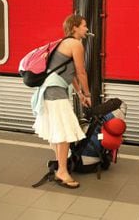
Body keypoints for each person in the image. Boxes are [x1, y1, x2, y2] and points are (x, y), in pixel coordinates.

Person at [32, 14, 92, 189]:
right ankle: (62, 172)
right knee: (64, 133)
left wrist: (79, 93)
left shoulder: (63, 43)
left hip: (50, 91)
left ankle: (61, 167)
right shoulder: (75, 44)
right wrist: (87, 94)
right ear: (74, 28)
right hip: (55, 93)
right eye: (84, 26)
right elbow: (81, 72)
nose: (86, 29)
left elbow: (68, 72)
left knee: (59, 131)